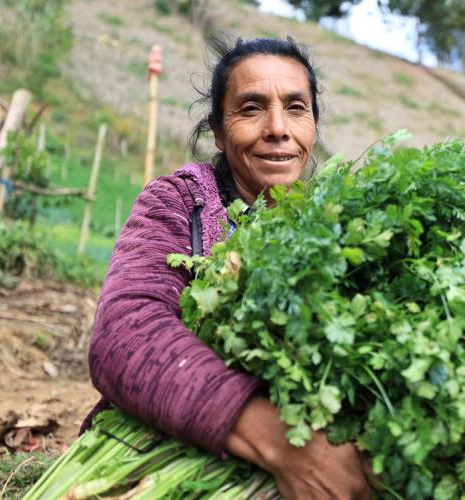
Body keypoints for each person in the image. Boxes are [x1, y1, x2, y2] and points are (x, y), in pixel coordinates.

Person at [81, 37, 372, 499]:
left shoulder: (343, 229)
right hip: (159, 458)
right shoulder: (180, 202)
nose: (277, 128)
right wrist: (285, 447)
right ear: (218, 131)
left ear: (313, 123)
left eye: (296, 107)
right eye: (252, 109)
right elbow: (124, 335)